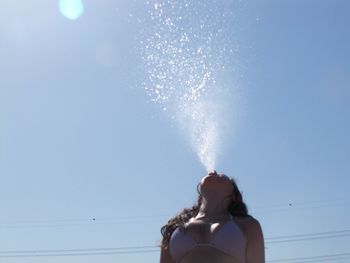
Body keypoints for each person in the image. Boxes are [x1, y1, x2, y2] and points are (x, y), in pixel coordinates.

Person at [159, 171, 265, 263]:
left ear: (233, 195)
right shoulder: (175, 227)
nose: (213, 171)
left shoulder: (247, 225)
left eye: (222, 175)